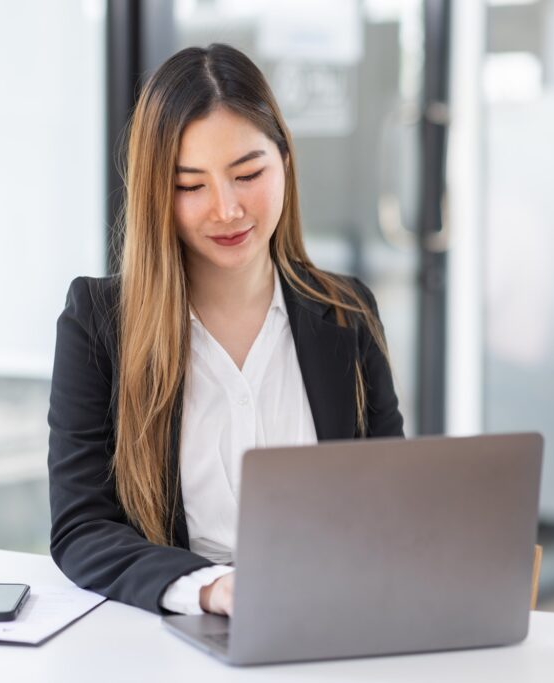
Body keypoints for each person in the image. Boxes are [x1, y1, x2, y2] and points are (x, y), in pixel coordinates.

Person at [47, 44, 403, 617]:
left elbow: (392, 499)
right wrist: (212, 589)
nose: (228, 209)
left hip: (333, 617)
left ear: (285, 159)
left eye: (248, 173)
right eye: (192, 185)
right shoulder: (98, 320)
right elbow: (81, 529)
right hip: (179, 630)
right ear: (156, 193)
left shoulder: (347, 312)